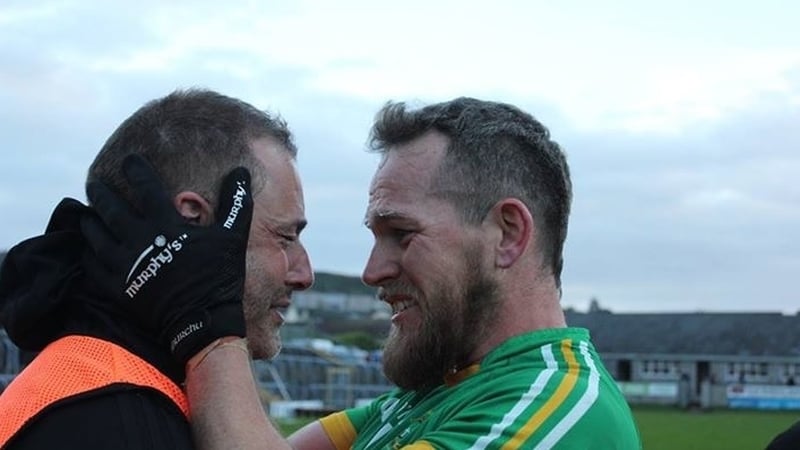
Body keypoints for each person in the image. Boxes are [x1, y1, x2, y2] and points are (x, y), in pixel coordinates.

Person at [88, 97, 643, 449]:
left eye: (401, 234)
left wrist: (204, 319)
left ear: (508, 234)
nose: (372, 271)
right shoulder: (432, 395)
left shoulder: (552, 413)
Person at [0, 88, 313, 449]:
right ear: (193, 219)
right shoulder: (115, 416)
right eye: (285, 237)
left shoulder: (105, 375)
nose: (305, 274)